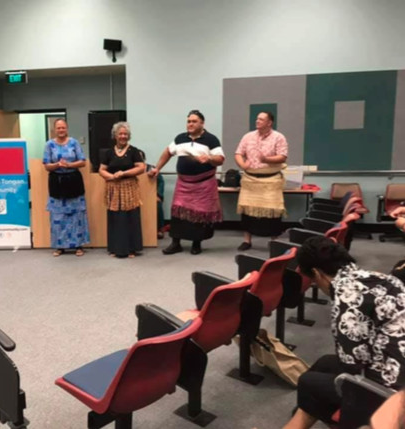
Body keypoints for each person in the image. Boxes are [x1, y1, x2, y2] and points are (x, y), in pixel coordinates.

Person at [283, 236, 405, 429]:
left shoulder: (347, 299)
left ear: (317, 273)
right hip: (397, 368)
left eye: (312, 279)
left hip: (394, 394)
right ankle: (305, 412)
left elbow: (354, 364)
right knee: (324, 363)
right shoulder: (381, 278)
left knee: (308, 382)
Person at [148, 110, 224, 255]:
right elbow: (167, 152)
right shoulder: (180, 138)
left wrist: (208, 158)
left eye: (194, 121)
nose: (190, 124)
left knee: (199, 216)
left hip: (204, 185)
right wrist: (157, 168)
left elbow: (220, 158)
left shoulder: (211, 139)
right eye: (188, 121)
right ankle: (175, 243)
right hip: (183, 184)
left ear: (202, 123)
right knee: (178, 214)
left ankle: (196, 244)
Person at [235, 111, 288, 251]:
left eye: (261, 119)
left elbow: (282, 156)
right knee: (247, 212)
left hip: (270, 181)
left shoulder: (279, 137)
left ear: (269, 122)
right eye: (257, 118)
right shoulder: (248, 136)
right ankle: (247, 241)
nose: (257, 121)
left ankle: (274, 241)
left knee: (273, 213)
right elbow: (238, 153)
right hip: (250, 181)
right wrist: (242, 164)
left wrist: (266, 159)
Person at [42, 118, 89, 256]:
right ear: (54, 129)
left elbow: (83, 162)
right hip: (57, 181)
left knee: (77, 215)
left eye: (63, 128)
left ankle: (78, 246)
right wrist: (57, 165)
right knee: (58, 216)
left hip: (73, 180)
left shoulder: (74, 142)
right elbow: (46, 165)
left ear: (67, 128)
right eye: (58, 128)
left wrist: (69, 165)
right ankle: (59, 246)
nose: (61, 130)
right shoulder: (49, 145)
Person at [99, 122, 145, 258]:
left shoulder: (134, 151)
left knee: (130, 217)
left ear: (128, 136)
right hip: (113, 189)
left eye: (125, 134)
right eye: (120, 134)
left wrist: (124, 174)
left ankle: (132, 249)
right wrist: (112, 176)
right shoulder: (108, 153)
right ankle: (115, 248)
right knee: (115, 218)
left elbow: (141, 167)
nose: (123, 136)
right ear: (115, 136)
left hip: (129, 188)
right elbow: (101, 170)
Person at [139, 150, 165, 239]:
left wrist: (158, 195)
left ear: (144, 159)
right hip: (135, 195)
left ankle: (160, 229)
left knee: (157, 205)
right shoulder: (130, 169)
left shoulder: (151, 168)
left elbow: (161, 182)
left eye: (141, 158)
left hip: (151, 196)